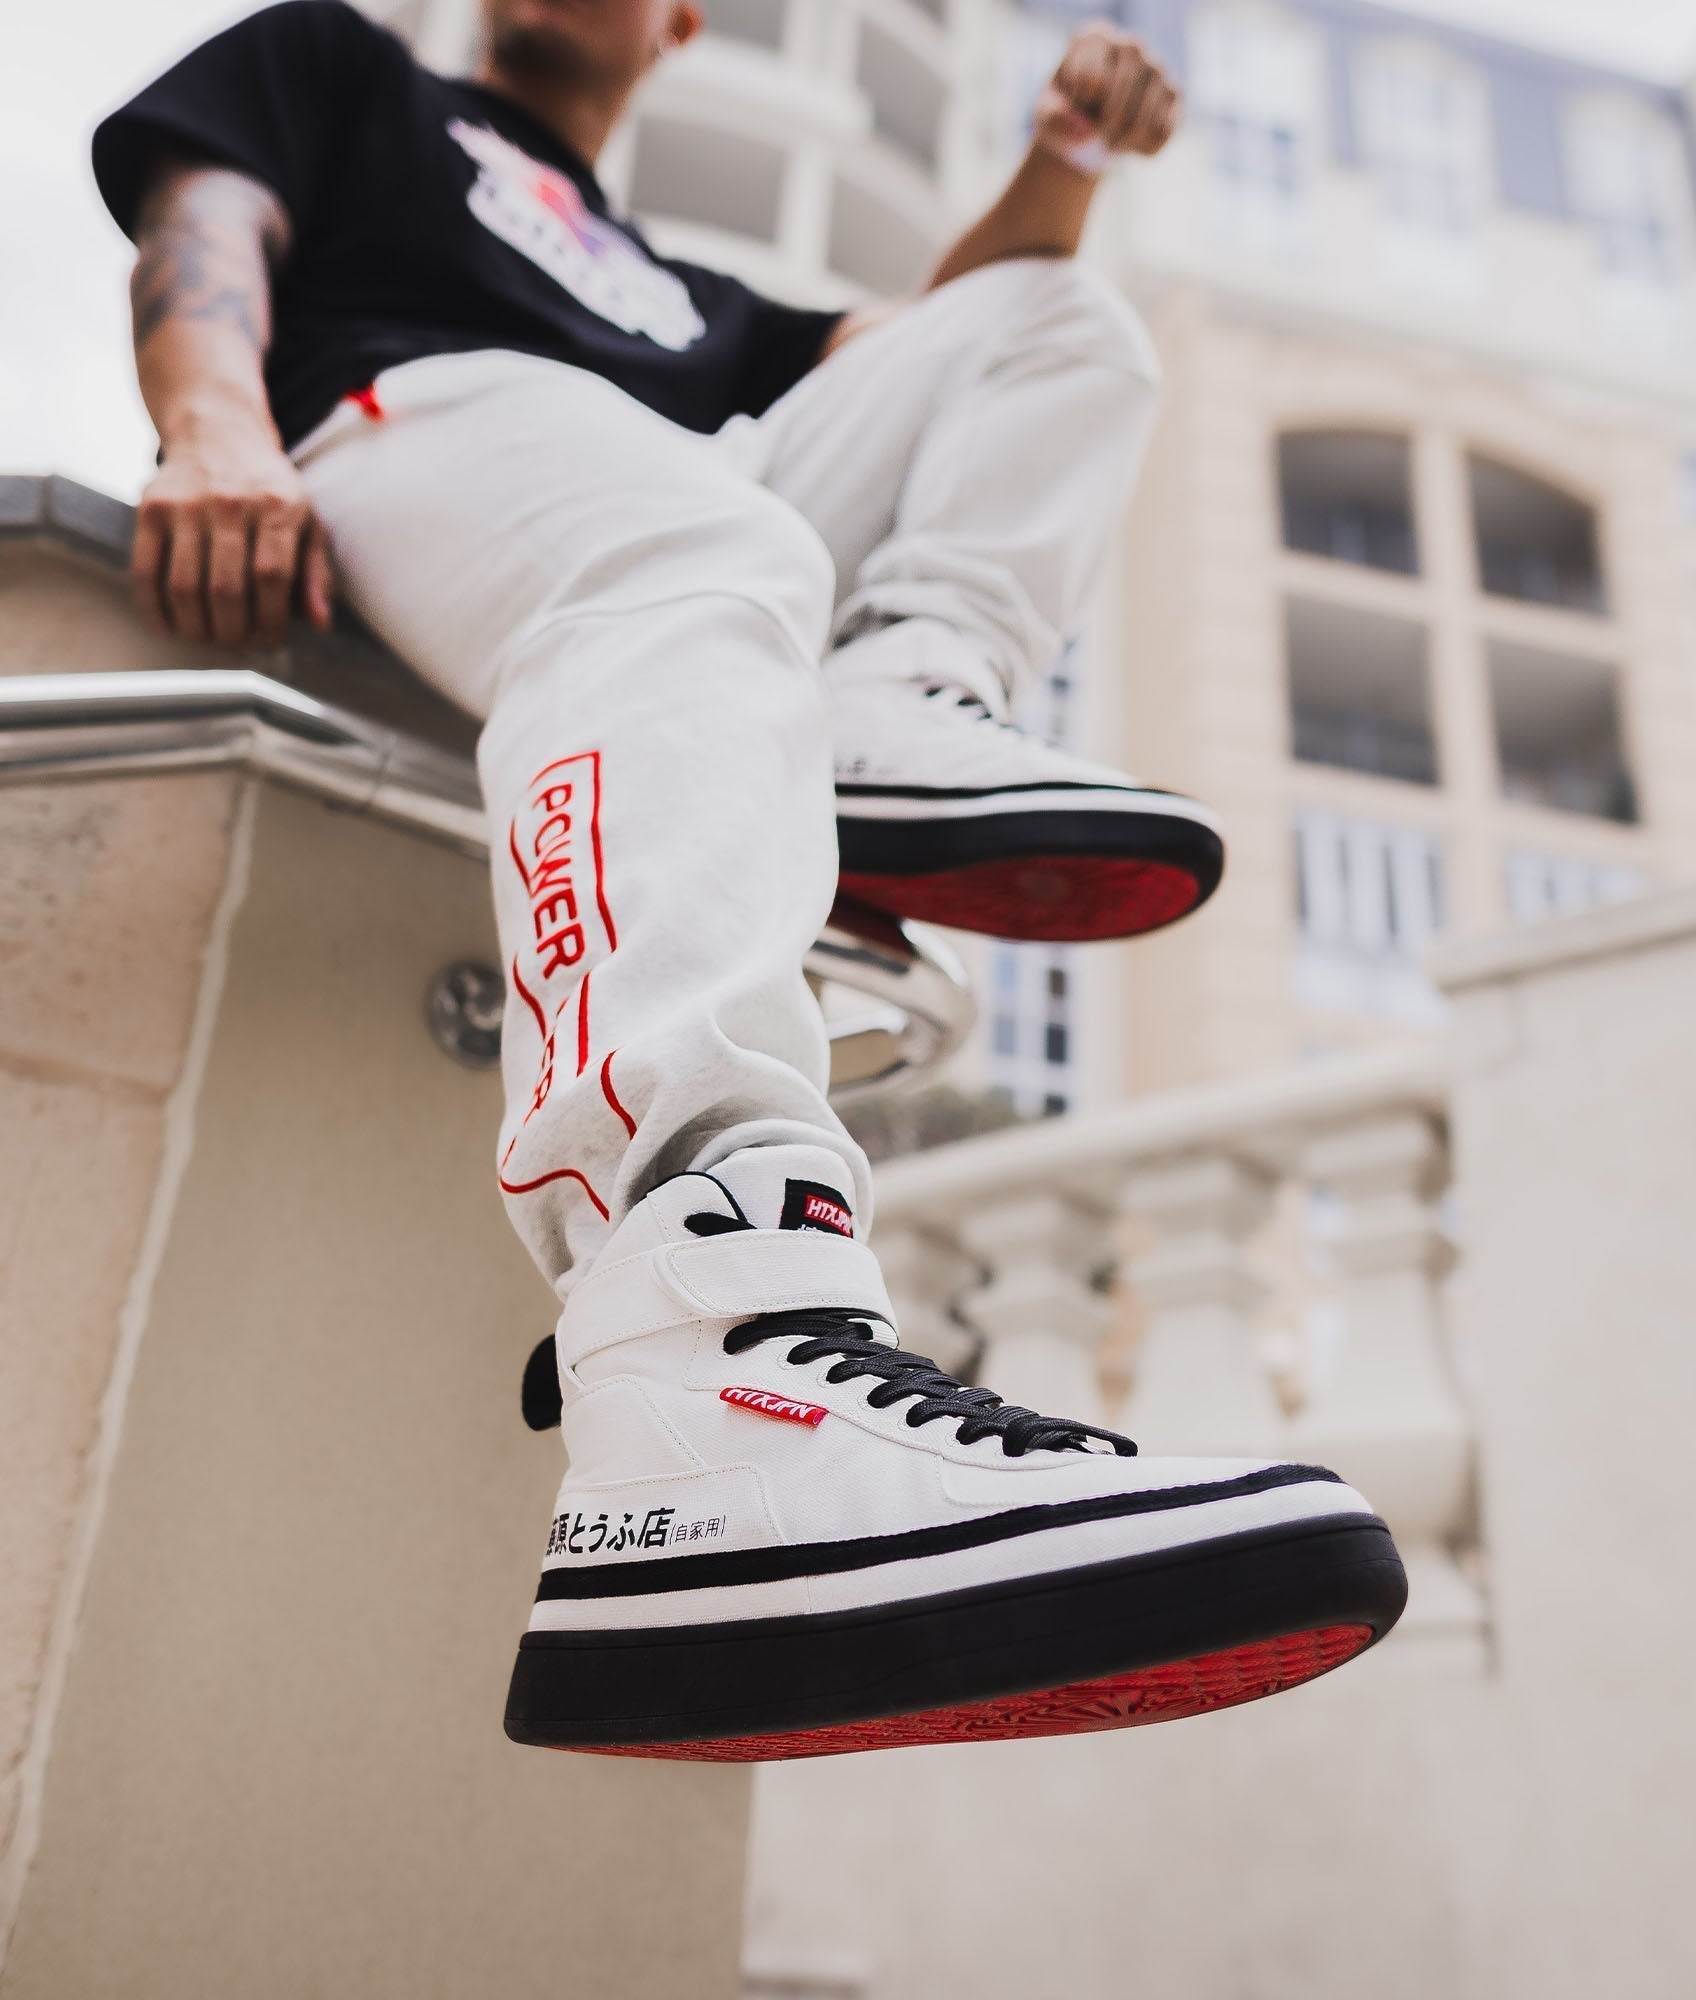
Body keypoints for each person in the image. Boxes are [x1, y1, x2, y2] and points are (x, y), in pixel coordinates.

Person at [93, 0, 1403, 1759]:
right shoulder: (350, 71)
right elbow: (205, 227)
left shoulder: (675, 295)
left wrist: (1063, 161)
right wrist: (212, 429)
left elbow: (927, 348)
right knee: (710, 549)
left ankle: (893, 692)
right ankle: (708, 1354)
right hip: (401, 424)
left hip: (675, 493)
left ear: (681, 24)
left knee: (1058, 322)